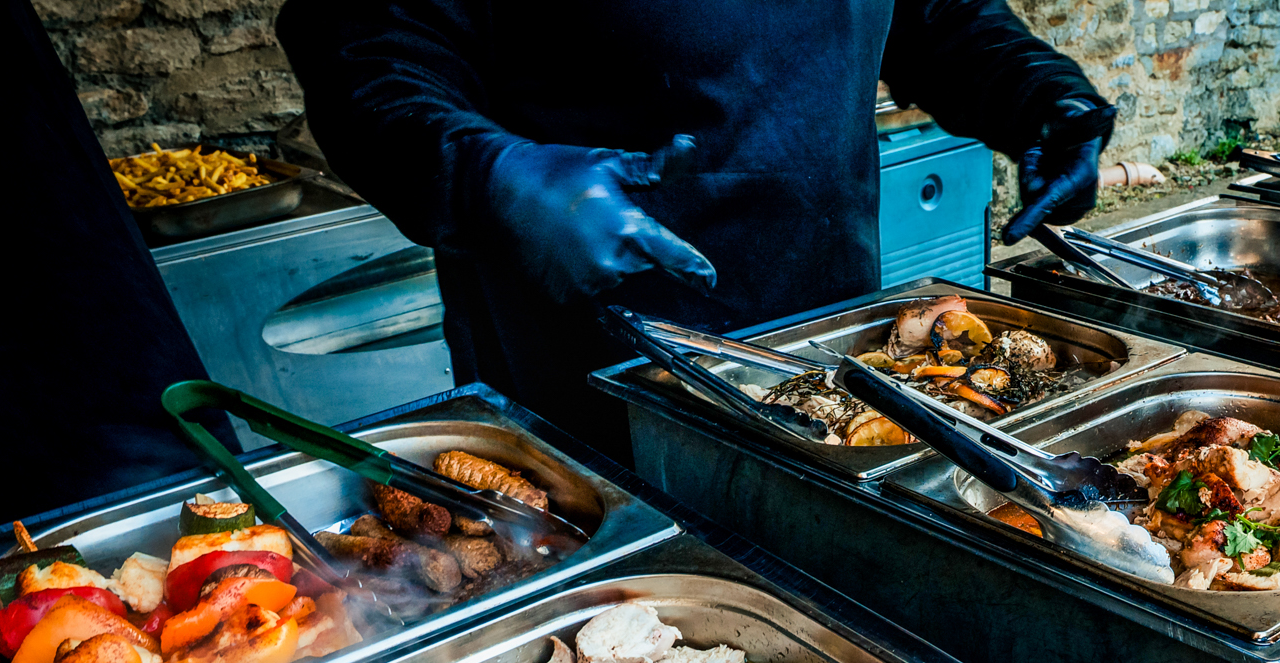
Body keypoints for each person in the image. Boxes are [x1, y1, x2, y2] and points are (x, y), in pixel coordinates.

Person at [278, 1, 1115, 449]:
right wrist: (489, 175)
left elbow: (940, 15)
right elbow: (367, 54)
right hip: (594, 367)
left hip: (828, 343)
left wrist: (1039, 94)